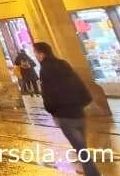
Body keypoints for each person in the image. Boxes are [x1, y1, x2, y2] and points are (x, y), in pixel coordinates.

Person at [35, 42, 99, 176]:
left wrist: (52, 111)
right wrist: (84, 101)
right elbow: (78, 82)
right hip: (78, 111)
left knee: (80, 148)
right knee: (82, 145)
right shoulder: (64, 64)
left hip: (64, 115)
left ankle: (93, 173)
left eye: (35, 52)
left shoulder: (45, 69)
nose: (35, 55)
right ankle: (84, 168)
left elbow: (48, 93)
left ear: (41, 53)